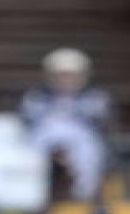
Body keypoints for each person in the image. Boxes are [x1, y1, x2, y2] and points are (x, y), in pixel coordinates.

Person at [20, 48, 111, 201]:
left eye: (71, 75)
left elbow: (98, 122)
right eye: (61, 75)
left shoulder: (95, 96)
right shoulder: (36, 96)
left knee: (88, 152)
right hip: (45, 137)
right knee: (31, 152)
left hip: (82, 137)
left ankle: (83, 193)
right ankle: (34, 193)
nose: (66, 80)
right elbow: (29, 121)